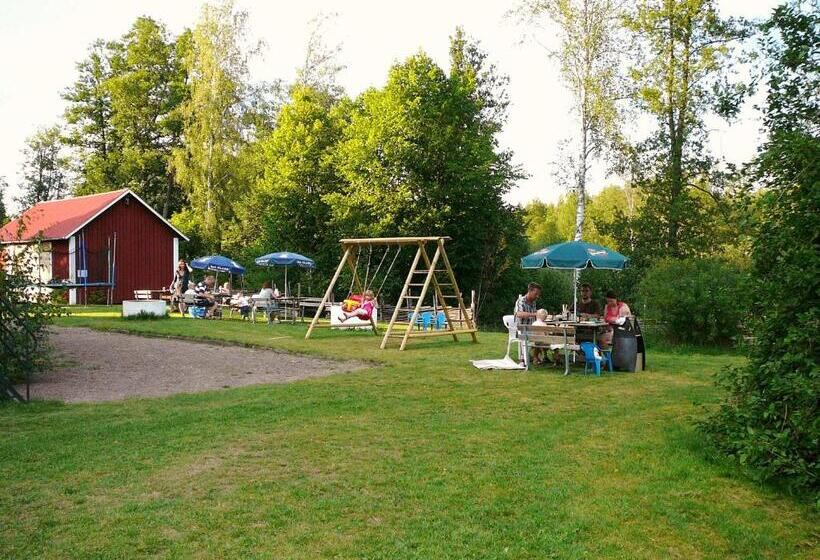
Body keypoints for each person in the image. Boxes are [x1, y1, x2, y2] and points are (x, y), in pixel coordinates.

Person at [514, 282, 541, 365]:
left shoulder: (533, 302)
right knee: (538, 335)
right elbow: (519, 314)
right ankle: (523, 359)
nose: (537, 296)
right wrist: (535, 314)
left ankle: (535, 357)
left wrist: (541, 315)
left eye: (538, 294)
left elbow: (535, 315)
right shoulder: (521, 301)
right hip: (522, 329)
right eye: (536, 294)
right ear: (530, 291)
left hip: (532, 328)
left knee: (545, 333)